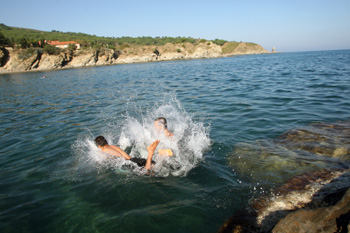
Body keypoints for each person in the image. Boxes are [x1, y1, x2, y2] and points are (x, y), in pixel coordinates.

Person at [94, 136, 159, 170]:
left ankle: (151, 152)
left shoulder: (103, 151)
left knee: (146, 172)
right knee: (154, 165)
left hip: (130, 163)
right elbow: (127, 157)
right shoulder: (113, 146)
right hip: (134, 159)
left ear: (99, 146)